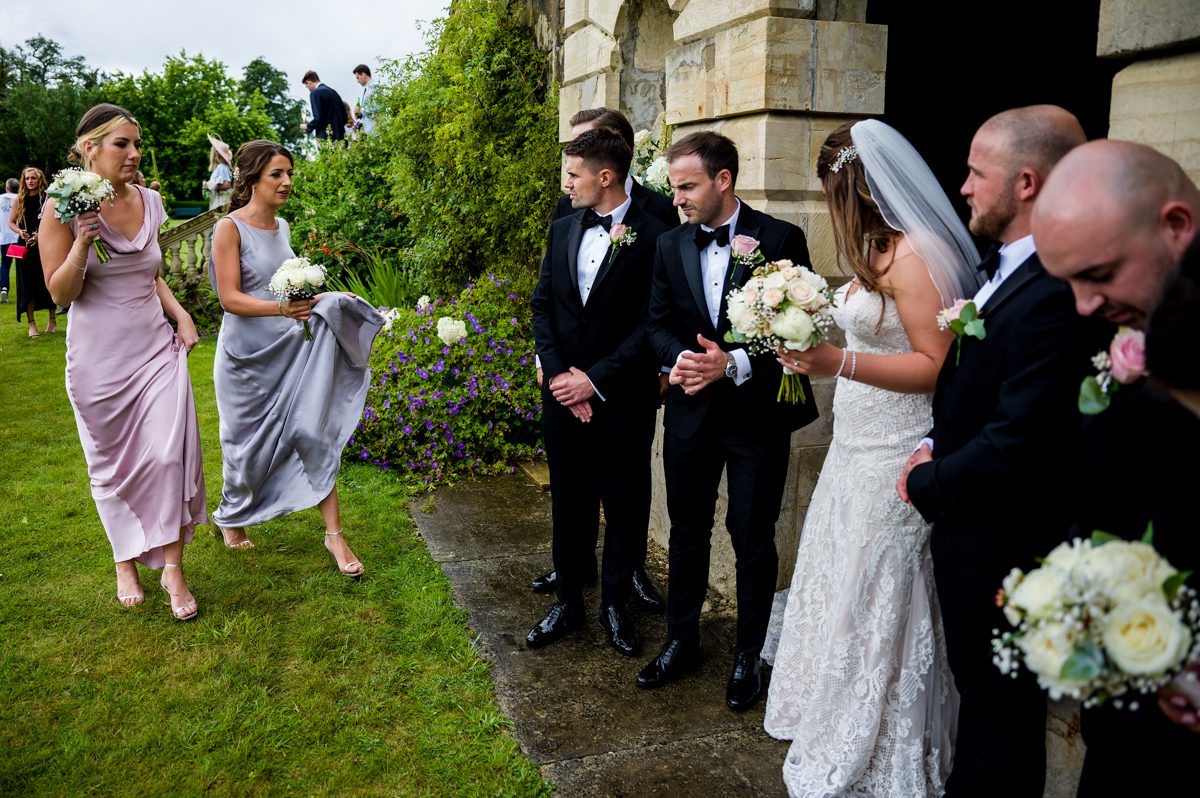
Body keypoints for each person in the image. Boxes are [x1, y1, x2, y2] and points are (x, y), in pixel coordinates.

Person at [763, 120, 979, 796]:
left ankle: (883, 733)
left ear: (849, 187)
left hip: (896, 448)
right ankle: (832, 709)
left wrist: (836, 361)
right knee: (842, 570)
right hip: (854, 444)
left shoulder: (914, 258)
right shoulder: (877, 252)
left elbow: (937, 367)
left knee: (883, 583)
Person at [897, 105, 1105, 797]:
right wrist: (932, 438)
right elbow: (976, 388)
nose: (962, 188)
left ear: (1025, 182)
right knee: (983, 712)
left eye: (975, 173)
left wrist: (928, 483)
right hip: (972, 531)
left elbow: (1019, 439)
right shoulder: (1008, 267)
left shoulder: (1053, 290)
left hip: (1002, 545)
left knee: (998, 727)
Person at [1031, 139, 1200, 796]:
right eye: (1067, 281)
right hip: (1128, 725)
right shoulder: (1135, 332)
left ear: (1176, 227)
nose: (1083, 306)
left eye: (1098, 276)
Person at [640, 131, 818, 711]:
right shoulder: (669, 244)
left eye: (687, 186)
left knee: (751, 536)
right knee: (687, 531)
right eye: (674, 187)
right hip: (690, 413)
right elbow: (657, 322)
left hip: (754, 420)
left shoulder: (781, 239)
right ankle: (680, 639)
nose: (678, 199)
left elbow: (802, 329)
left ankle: (748, 653)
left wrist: (734, 363)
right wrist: (683, 359)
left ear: (723, 180)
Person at [39, 103, 207, 620]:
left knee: (168, 456)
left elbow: (148, 271)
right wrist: (83, 241)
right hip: (98, 361)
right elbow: (61, 292)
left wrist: (180, 314)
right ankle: (124, 559)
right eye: (123, 145)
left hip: (155, 349)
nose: (134, 154)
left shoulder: (151, 202)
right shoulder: (59, 209)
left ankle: (174, 568)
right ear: (89, 148)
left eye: (136, 144)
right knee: (109, 467)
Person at [208, 140, 383, 574]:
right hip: (244, 358)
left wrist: (321, 297)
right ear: (250, 180)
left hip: (290, 348)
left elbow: (285, 287)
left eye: (289, 173)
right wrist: (281, 308)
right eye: (276, 175)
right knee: (244, 448)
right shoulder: (228, 228)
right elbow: (229, 298)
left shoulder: (282, 226)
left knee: (312, 430)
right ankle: (232, 517)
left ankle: (335, 536)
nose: (287, 182)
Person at [527, 128, 670, 655]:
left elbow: (651, 322)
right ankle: (567, 601)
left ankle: (614, 604)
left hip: (622, 395)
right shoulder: (564, 224)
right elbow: (543, 305)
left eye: (572, 174)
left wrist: (595, 380)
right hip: (562, 392)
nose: (566, 184)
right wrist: (563, 374)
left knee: (625, 499)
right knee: (569, 497)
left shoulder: (655, 235)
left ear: (603, 177)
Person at [551, 108, 680, 230]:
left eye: (586, 141)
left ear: (615, 143)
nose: (575, 150)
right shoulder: (565, 206)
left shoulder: (661, 208)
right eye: (574, 144)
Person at [8, 167, 55, 337]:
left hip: (44, 244)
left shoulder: (47, 199)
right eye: (27, 178)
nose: (30, 181)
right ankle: (31, 325)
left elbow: (56, 221)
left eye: (33, 178)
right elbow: (11, 222)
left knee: (47, 282)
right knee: (26, 285)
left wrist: (40, 235)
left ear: (39, 179)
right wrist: (20, 232)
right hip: (25, 247)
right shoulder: (19, 199)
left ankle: (52, 320)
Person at [300, 71, 347, 142]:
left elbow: (318, 118)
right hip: (341, 137)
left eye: (307, 86)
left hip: (325, 137)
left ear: (308, 82)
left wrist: (308, 126)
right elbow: (344, 117)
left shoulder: (315, 93)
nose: (308, 89)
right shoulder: (334, 92)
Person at [203, 134, 233, 211]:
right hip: (222, 200)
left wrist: (210, 186)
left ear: (215, 154)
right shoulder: (223, 167)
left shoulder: (221, 167)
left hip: (222, 201)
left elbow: (227, 185)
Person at [1, 177, 17, 304]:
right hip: (17, 237)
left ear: (7, 187)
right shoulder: (20, 199)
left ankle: (4, 288)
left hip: (4, 237)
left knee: (5, 265)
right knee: (21, 266)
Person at [353, 64, 378, 135]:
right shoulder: (368, 88)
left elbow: (376, 107)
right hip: (370, 131)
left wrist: (361, 110)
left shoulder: (374, 86)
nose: (357, 81)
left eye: (357, 77)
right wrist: (360, 113)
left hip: (376, 130)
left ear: (363, 75)